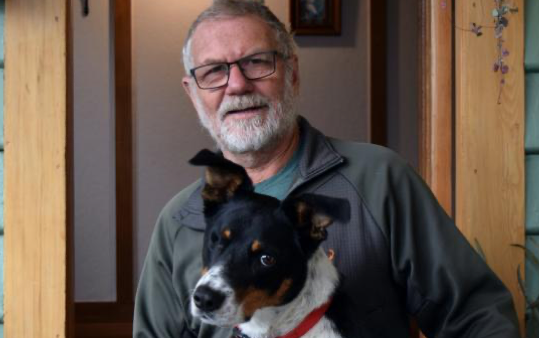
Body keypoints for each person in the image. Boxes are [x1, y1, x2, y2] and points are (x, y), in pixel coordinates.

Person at [133, 1, 521, 337]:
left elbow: (477, 316)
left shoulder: (380, 180)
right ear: (192, 91)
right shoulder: (177, 223)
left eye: (256, 62)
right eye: (213, 71)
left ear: (292, 71)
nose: (236, 84)